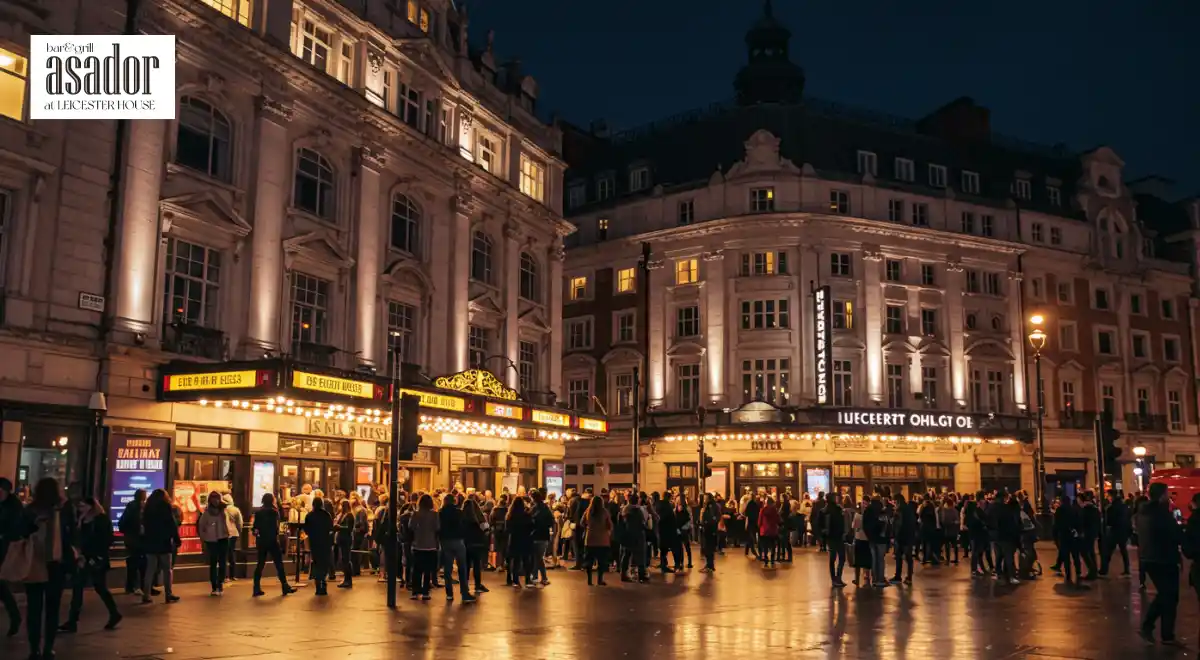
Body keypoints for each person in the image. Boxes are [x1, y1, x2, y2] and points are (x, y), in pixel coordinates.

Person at [15, 477, 76, 658]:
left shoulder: (31, 510)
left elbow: (19, 532)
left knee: (34, 608)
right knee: (52, 608)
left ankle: (34, 648)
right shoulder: (64, 510)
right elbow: (71, 536)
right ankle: (48, 647)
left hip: (35, 562)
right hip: (56, 563)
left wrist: (35, 526)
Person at [60, 497, 121, 632]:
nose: (80, 509)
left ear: (91, 506)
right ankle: (73, 620)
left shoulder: (101, 520)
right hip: (84, 558)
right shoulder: (82, 520)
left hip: (96, 558)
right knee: (79, 587)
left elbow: (106, 539)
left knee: (99, 587)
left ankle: (114, 613)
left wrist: (95, 554)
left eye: (83, 506)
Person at [1137, 482, 1183, 645]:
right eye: (1167, 493)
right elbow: (1174, 535)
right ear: (1162, 495)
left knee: (1166, 595)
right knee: (1169, 595)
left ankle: (1161, 631)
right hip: (1164, 559)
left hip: (1149, 558)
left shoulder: (1143, 512)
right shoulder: (1162, 513)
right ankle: (1157, 630)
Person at [141, 488, 180, 604]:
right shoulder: (166, 506)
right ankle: (168, 594)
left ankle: (146, 595)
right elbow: (171, 523)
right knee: (167, 569)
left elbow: (144, 524)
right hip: (164, 542)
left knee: (150, 569)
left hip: (150, 542)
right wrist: (176, 539)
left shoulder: (148, 507)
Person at [251, 493, 295, 597]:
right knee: (279, 564)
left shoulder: (258, 512)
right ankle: (285, 586)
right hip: (272, 540)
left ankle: (256, 588)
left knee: (260, 564)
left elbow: (255, 528)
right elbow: (276, 527)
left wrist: (257, 532)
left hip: (262, 541)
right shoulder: (274, 512)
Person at [438, 495, 475, 602]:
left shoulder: (440, 513)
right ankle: (464, 593)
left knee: (447, 569)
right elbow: (464, 525)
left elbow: (438, 527)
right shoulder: (459, 512)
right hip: (458, 541)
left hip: (445, 541)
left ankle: (449, 594)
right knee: (462, 568)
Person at [197, 491, 231, 596]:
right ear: (210, 500)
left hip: (223, 538)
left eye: (217, 498)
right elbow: (201, 527)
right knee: (213, 563)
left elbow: (229, 523)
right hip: (211, 541)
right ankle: (214, 586)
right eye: (213, 498)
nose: (215, 500)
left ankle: (220, 584)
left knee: (222, 563)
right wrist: (204, 538)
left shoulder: (224, 511)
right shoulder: (207, 513)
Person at [0, 477, 22, 636]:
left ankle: (15, 616)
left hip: (5, 548)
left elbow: (16, 528)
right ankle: (15, 616)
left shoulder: (14, 506)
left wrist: (4, 536)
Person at [408, 494, 439, 600]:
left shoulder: (416, 514)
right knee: (427, 570)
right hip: (431, 545)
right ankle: (426, 592)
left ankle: (415, 592)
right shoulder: (434, 514)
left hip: (418, 544)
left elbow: (410, 526)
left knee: (416, 570)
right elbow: (437, 527)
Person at [117, 488, 146, 595]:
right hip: (137, 539)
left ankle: (131, 586)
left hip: (131, 539)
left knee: (133, 563)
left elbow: (122, 523)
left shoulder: (131, 506)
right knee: (139, 563)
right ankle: (138, 586)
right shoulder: (138, 507)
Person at [303, 497, 334, 595]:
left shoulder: (309, 516)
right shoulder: (326, 515)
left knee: (316, 563)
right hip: (325, 542)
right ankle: (323, 584)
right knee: (324, 564)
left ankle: (317, 586)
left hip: (314, 542)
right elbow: (330, 528)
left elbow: (307, 530)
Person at [582, 495, 613, 586]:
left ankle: (589, 580)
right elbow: (610, 525)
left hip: (590, 539)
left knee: (589, 561)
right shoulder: (605, 512)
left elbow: (581, 522)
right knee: (601, 562)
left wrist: (588, 527)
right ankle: (600, 580)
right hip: (602, 540)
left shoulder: (588, 512)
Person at [1100, 491, 1132, 577]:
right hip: (1123, 531)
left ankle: (1104, 570)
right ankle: (1127, 570)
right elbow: (1128, 519)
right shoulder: (1124, 506)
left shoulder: (1110, 508)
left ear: (1111, 497)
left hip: (1114, 531)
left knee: (1108, 551)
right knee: (1123, 551)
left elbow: (1108, 522)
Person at [462, 497, 489, 595]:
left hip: (465, 544)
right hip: (477, 543)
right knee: (477, 565)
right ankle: (477, 585)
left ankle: (465, 586)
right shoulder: (479, 517)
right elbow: (486, 529)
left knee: (466, 566)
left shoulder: (462, 517)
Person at [505, 496, 534, 589]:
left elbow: (507, 529)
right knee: (526, 561)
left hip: (514, 539)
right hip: (525, 539)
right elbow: (532, 526)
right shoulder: (526, 515)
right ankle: (527, 580)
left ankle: (515, 581)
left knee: (516, 561)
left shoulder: (510, 516)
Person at [891, 493, 916, 584]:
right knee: (908, 558)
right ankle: (909, 577)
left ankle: (898, 576)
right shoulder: (909, 509)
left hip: (901, 537)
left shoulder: (899, 510)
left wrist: (895, 536)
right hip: (909, 536)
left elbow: (898, 525)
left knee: (899, 557)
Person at [530, 490, 554, 585]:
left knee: (538, 557)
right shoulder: (546, 508)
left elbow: (530, 521)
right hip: (544, 535)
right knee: (539, 557)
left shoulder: (533, 509)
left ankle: (541, 577)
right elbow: (551, 521)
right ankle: (537, 576)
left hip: (535, 535)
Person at [825, 494, 846, 586]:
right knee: (841, 557)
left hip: (830, 537)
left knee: (832, 558)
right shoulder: (838, 509)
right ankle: (838, 578)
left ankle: (834, 579)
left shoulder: (825, 510)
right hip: (838, 537)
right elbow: (841, 522)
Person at [334, 500, 355, 588]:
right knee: (344, 559)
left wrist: (339, 527)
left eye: (342, 505)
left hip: (346, 539)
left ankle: (348, 580)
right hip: (342, 539)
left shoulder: (349, 515)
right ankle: (346, 579)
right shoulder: (343, 515)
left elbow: (349, 528)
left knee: (346, 559)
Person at [223, 494, 243, 582]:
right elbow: (240, 523)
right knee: (232, 554)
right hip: (234, 533)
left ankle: (225, 576)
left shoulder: (221, 510)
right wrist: (239, 531)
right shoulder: (235, 509)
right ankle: (232, 575)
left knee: (224, 555)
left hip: (223, 534)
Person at [699, 493, 720, 573]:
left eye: (705, 498)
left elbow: (714, 517)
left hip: (710, 530)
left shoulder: (712, 506)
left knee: (709, 549)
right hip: (709, 529)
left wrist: (709, 522)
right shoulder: (708, 506)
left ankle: (709, 566)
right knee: (709, 549)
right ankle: (710, 565)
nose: (704, 500)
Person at [757, 497, 781, 568]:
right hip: (773, 530)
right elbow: (778, 520)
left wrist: (759, 526)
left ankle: (766, 560)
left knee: (765, 546)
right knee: (773, 545)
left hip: (764, 531)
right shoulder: (774, 510)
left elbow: (759, 521)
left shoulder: (763, 510)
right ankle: (772, 560)